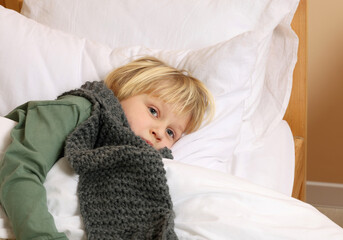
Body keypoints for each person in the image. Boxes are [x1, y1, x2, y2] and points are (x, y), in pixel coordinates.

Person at [0, 57, 214, 240]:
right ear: (123, 91)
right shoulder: (77, 109)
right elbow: (20, 171)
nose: (159, 131)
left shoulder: (136, 162)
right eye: (153, 111)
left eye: (171, 133)